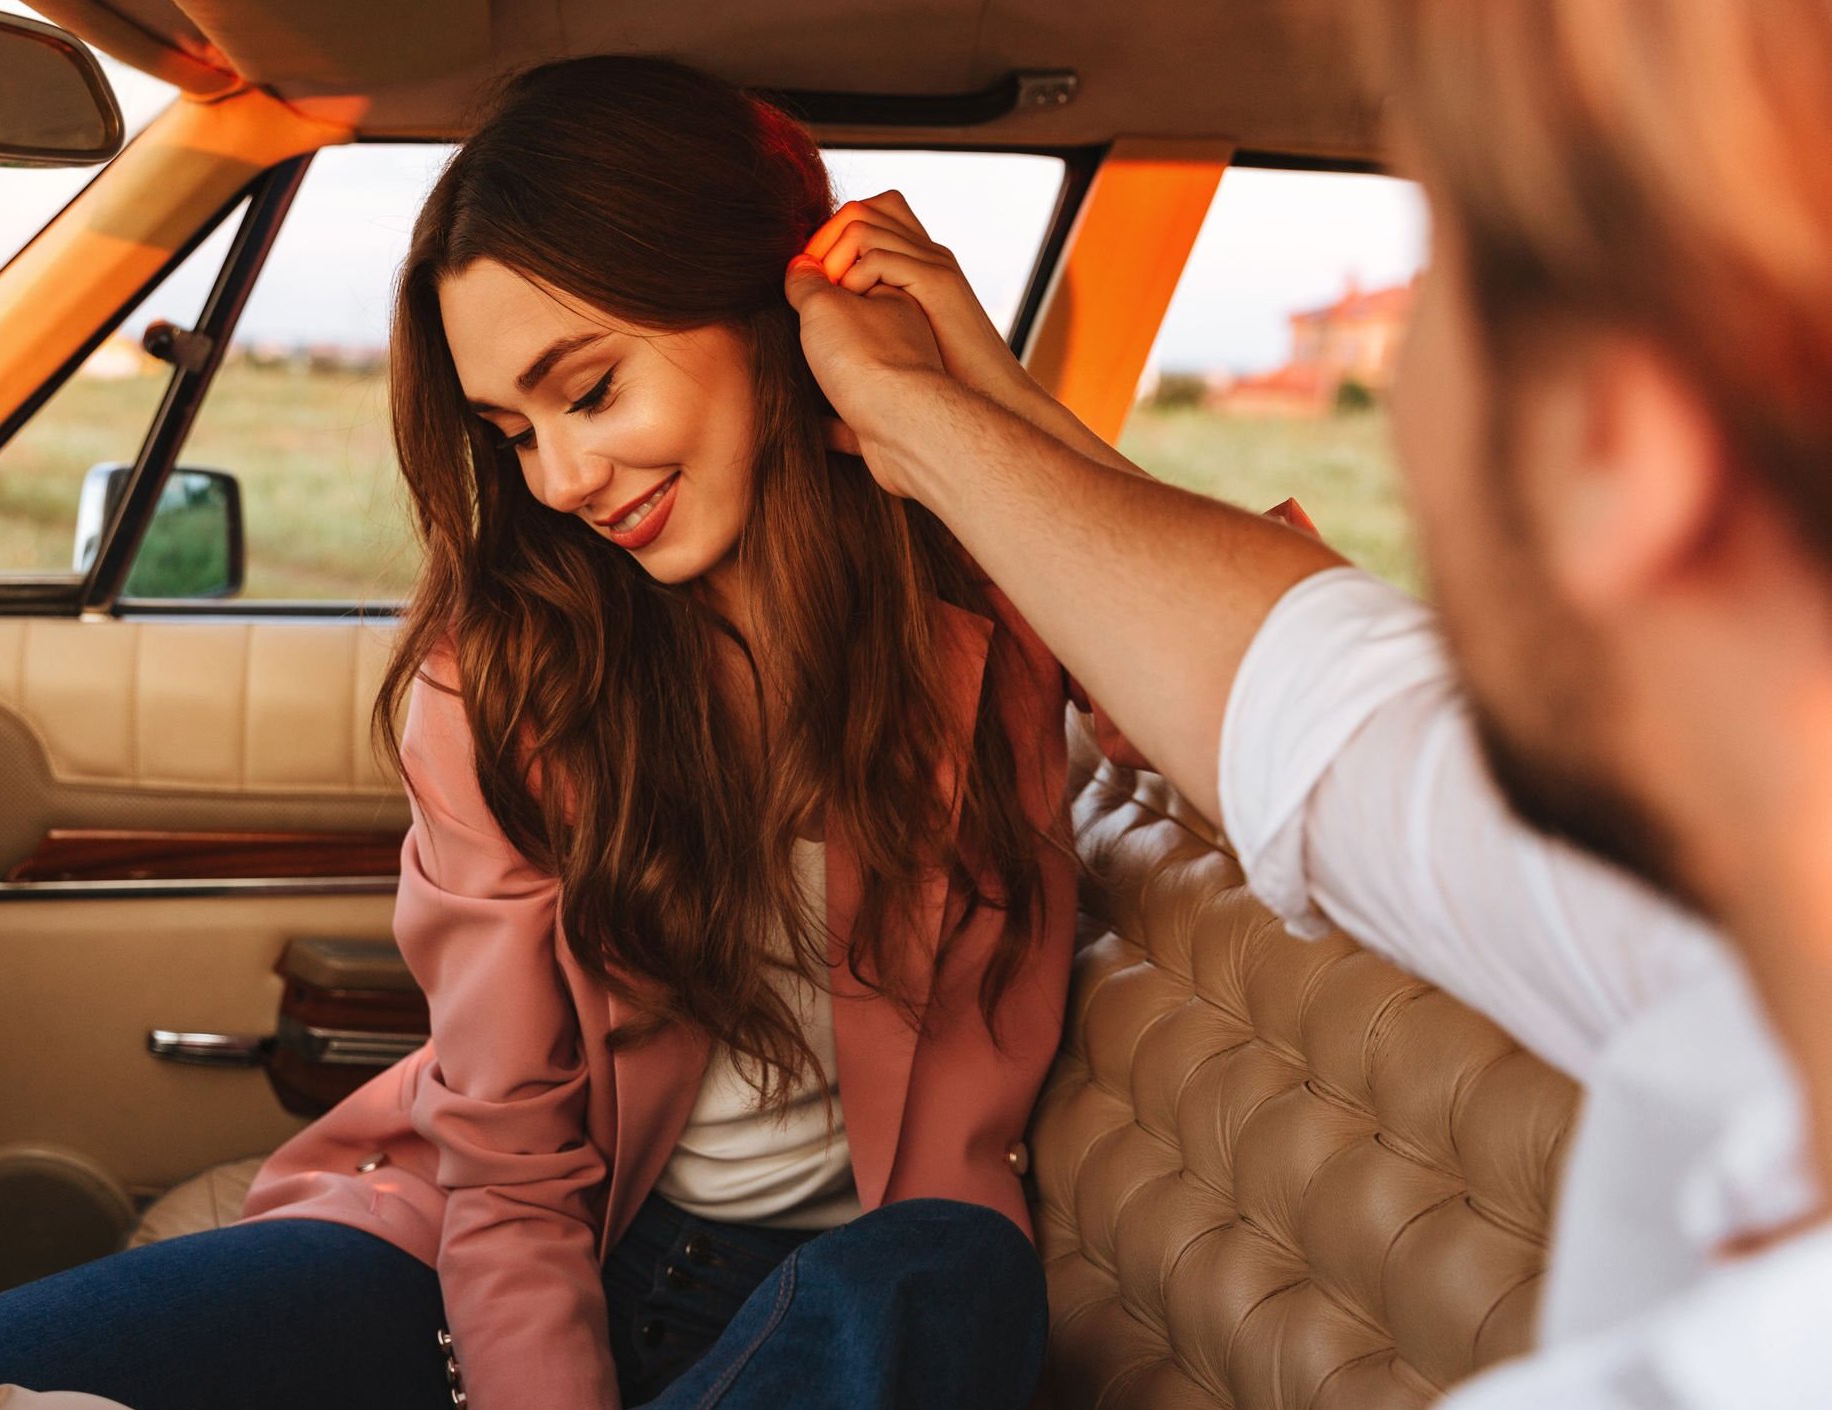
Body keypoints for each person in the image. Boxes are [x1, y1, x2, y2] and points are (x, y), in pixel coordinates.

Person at [0, 56, 1067, 1410]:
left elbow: (1249, 685)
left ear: (770, 311)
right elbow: (512, 1168)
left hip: (844, 1299)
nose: (561, 481)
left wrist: (973, 389)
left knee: (946, 1268)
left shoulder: (999, 601)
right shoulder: (510, 675)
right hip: (522, 1249)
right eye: (510, 433)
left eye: (591, 391)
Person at [782, 1, 1828, 1403]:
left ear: (1607, 435)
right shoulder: (1728, 908)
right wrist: (940, 411)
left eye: (1437, 263)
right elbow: (1297, 687)